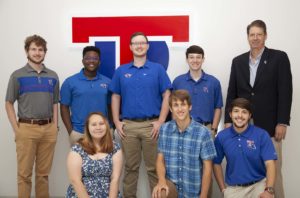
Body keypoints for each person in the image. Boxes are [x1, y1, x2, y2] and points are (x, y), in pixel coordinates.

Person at [224, 19, 292, 198]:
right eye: (252, 35)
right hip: (242, 126)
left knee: (273, 172)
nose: (255, 38)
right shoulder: (238, 61)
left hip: (270, 126)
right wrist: (228, 120)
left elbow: (285, 92)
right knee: (249, 170)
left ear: (265, 36)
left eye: (259, 34)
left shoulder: (279, 58)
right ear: (247, 37)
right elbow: (232, 92)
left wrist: (282, 122)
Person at [109, 32, 172, 197]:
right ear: (130, 47)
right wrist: (116, 121)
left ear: (147, 46)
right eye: (135, 43)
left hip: (152, 126)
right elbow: (115, 96)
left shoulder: (157, 69)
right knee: (130, 168)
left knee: (154, 168)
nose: (139, 46)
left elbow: (167, 95)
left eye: (142, 43)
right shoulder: (121, 71)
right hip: (128, 126)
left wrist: (161, 121)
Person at [5, 35, 59, 197]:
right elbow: (8, 103)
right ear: (27, 51)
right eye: (33, 49)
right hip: (26, 129)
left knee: (43, 175)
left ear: (45, 52)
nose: (37, 53)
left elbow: (55, 102)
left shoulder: (52, 75)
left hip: (48, 129)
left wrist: (55, 127)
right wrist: (17, 129)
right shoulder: (17, 75)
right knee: (24, 175)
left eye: (40, 49)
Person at [152, 90, 216, 198]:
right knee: (160, 193)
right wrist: (162, 181)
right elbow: (160, 159)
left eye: (183, 104)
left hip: (195, 189)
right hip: (173, 187)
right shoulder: (164, 129)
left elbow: (207, 168)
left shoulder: (203, 132)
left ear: (189, 107)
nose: (180, 109)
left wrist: (203, 196)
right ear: (171, 109)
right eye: (176, 105)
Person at [214, 98, 277, 198]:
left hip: (258, 185)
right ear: (230, 114)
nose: (240, 115)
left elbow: (270, 164)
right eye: (236, 111)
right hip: (234, 189)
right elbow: (216, 163)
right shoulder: (221, 137)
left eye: (244, 112)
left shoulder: (261, 135)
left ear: (249, 115)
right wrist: (223, 190)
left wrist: (268, 190)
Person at [60, 46, 112, 145]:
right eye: (88, 58)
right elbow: (64, 107)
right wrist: (71, 131)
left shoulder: (108, 82)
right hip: (79, 133)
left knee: (105, 160)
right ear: (83, 61)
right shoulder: (70, 82)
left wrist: (110, 127)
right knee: (78, 161)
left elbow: (110, 107)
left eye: (95, 58)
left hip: (103, 132)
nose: (91, 61)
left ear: (99, 62)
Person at [66, 112, 123, 197]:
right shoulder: (77, 149)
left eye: (101, 124)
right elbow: (75, 180)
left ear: (106, 126)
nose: (98, 127)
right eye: (94, 124)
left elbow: (115, 179)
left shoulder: (115, 148)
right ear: (88, 128)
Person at [173, 45, 223, 137]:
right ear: (187, 59)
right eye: (191, 57)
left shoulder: (213, 82)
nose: (195, 60)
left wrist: (214, 129)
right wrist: (176, 128)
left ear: (203, 59)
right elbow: (173, 107)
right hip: (182, 129)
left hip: (206, 129)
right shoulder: (178, 82)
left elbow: (218, 108)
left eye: (198, 57)